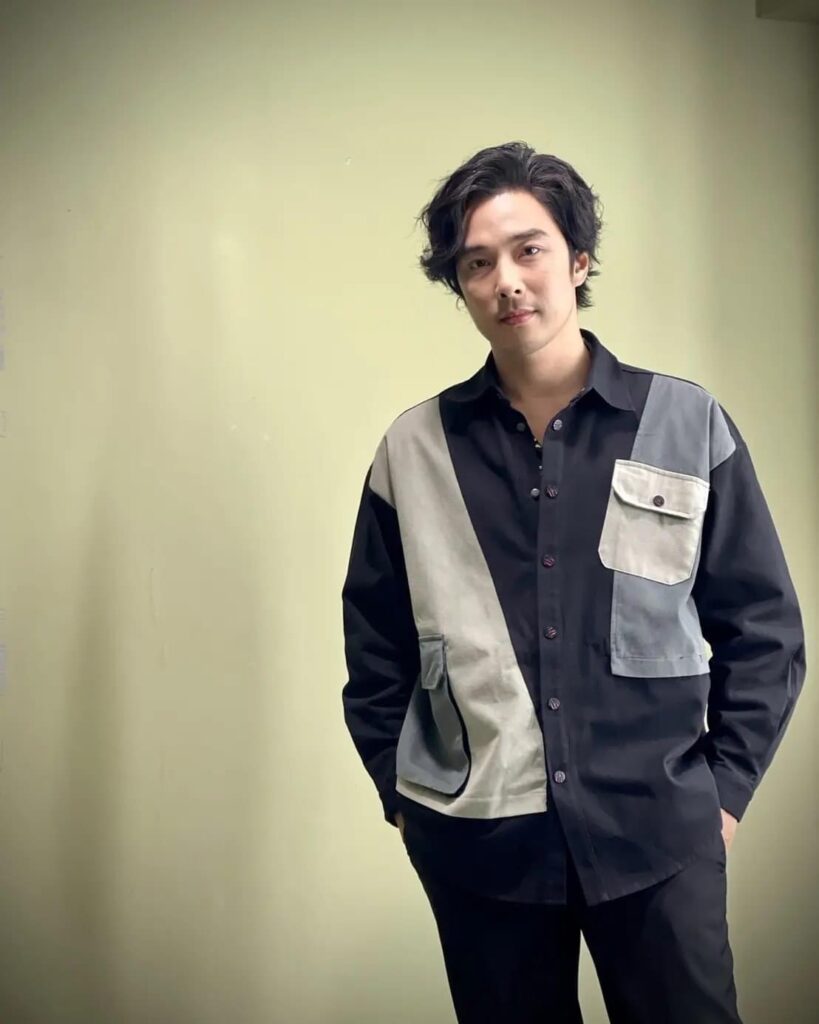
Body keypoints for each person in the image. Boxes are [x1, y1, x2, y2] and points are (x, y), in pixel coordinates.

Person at [340, 141, 806, 1024]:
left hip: (659, 836)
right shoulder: (413, 450)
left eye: (529, 250)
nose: (506, 282)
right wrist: (405, 805)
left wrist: (722, 796)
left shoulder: (684, 422)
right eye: (477, 264)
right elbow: (375, 651)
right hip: (481, 849)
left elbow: (764, 628)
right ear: (458, 285)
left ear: (577, 259)